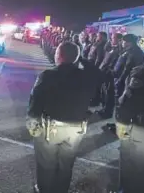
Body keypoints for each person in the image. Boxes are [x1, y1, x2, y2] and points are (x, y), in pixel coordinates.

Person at [26, 42, 97, 193]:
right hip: (76, 128)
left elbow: (35, 101)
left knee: (46, 163)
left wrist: (32, 122)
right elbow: (96, 101)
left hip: (51, 127)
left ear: (59, 55)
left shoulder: (48, 75)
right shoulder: (88, 77)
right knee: (66, 163)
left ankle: (44, 189)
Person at [115, 38, 144, 193]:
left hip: (143, 129)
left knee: (133, 169)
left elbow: (129, 101)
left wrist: (121, 123)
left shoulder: (143, 72)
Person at [106, 34, 144, 132]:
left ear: (129, 42)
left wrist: (120, 81)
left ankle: (121, 128)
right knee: (119, 105)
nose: (122, 43)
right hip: (120, 81)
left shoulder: (135, 53)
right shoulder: (128, 51)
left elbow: (127, 70)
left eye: (123, 41)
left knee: (122, 105)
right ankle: (117, 123)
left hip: (125, 83)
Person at [98, 33, 123, 118]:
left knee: (109, 94)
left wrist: (109, 70)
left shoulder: (119, 51)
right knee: (105, 93)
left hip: (111, 75)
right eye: (111, 38)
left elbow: (115, 64)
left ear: (119, 40)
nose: (111, 40)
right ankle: (104, 109)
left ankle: (107, 112)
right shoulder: (112, 48)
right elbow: (106, 52)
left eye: (113, 38)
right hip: (106, 73)